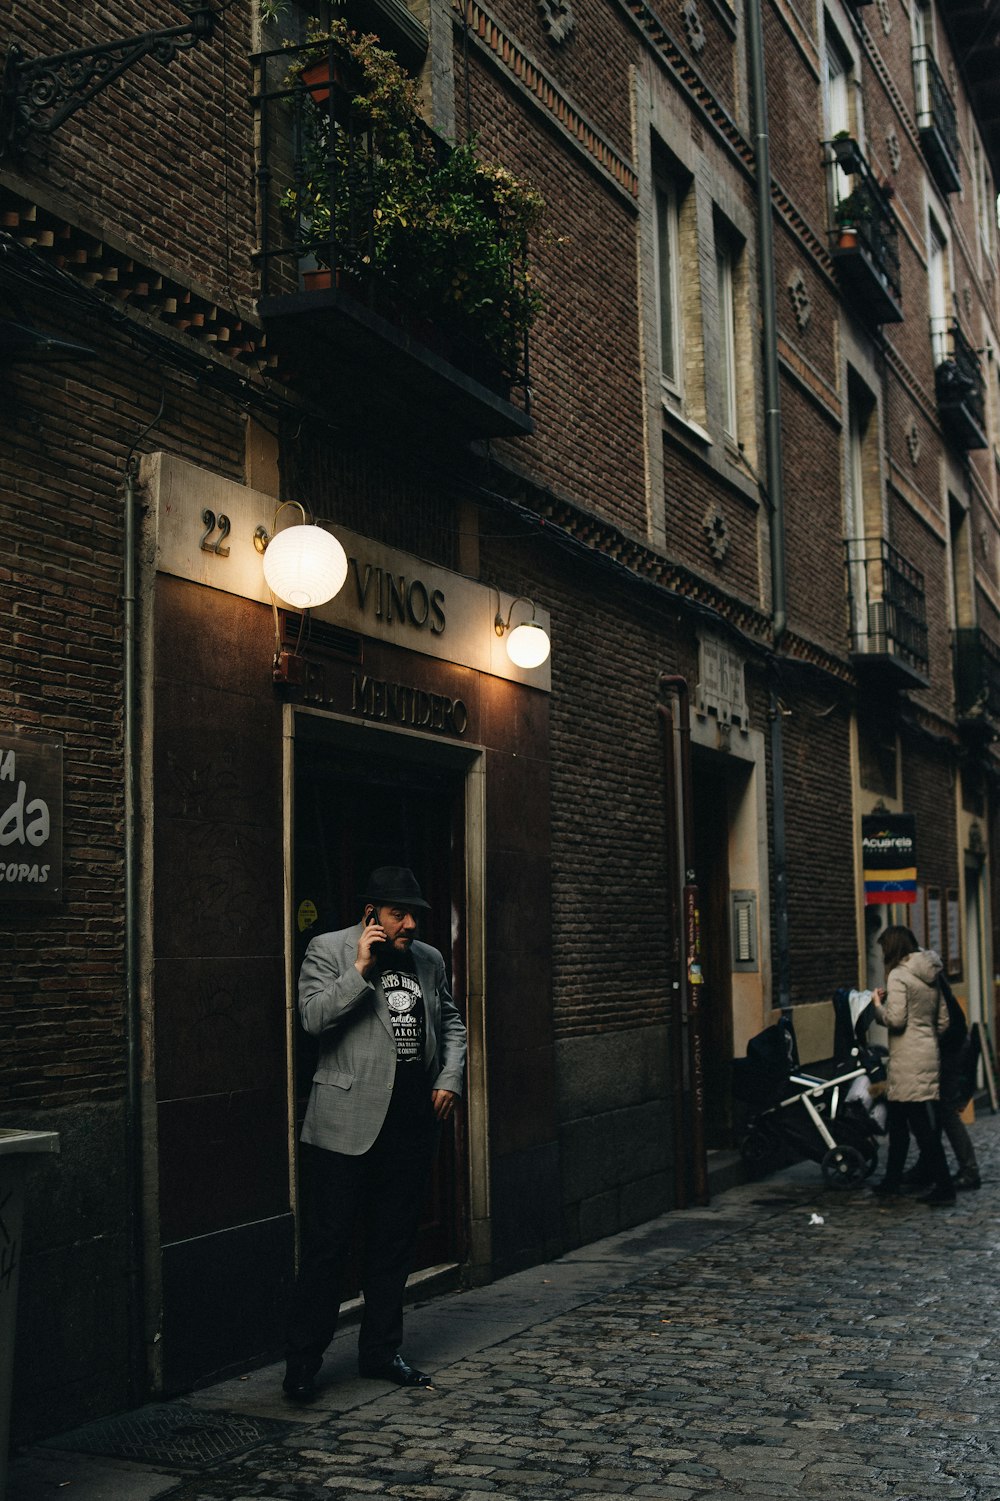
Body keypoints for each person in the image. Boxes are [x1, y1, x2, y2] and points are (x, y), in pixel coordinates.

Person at [283, 865, 467, 1399]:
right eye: (397, 914)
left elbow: (451, 1021)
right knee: (327, 1247)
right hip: (345, 1126)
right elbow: (313, 1019)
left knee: (392, 1247)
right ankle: (302, 1364)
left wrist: (450, 1077)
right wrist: (361, 969)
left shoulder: (428, 959)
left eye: (414, 914)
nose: (409, 923)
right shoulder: (329, 949)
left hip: (411, 1124)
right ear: (371, 914)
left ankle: (381, 1352)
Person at [870, 925, 955, 1206]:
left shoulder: (898, 975)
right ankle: (892, 1180)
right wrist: (925, 1039)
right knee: (899, 1122)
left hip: (907, 1059)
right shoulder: (930, 973)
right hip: (927, 1054)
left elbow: (895, 1020)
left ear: (892, 948)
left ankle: (944, 1187)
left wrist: (876, 1006)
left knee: (920, 1127)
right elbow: (943, 1021)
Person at [901, 973, 981, 1191]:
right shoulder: (926, 974)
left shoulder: (922, 978)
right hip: (947, 1049)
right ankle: (929, 1165)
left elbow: (939, 1022)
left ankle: (969, 1169)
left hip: (949, 1051)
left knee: (944, 1110)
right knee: (934, 1110)